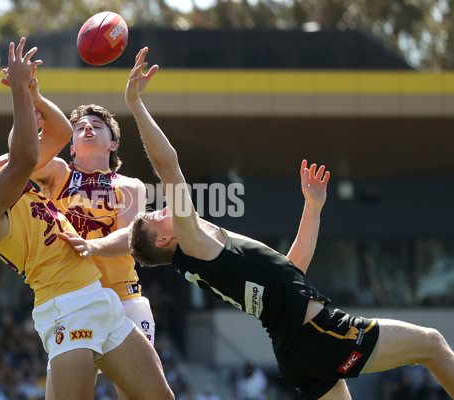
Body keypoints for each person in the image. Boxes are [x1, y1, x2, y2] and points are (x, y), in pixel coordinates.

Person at [124, 47, 454, 400]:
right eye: (155, 219)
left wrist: (312, 208)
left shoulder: (208, 248)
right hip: (321, 333)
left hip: (298, 353)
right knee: (432, 343)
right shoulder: (192, 244)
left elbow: (292, 269)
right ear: (163, 242)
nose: (162, 210)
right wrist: (136, 105)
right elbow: (168, 164)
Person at [0, 38, 173, 400]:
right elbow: (25, 156)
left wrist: (33, 92)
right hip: (65, 305)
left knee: (160, 397)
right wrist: (17, 89)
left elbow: (61, 133)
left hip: (98, 295)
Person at [2, 65, 155, 400]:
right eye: (80, 126)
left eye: (96, 126)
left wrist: (91, 246)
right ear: (70, 146)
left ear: (112, 144)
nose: (87, 128)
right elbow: (19, 155)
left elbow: (130, 237)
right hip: (73, 301)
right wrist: (32, 99)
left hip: (123, 298)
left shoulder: (129, 186)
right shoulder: (57, 172)